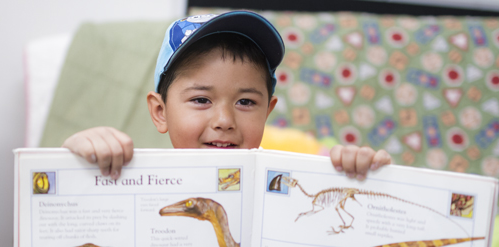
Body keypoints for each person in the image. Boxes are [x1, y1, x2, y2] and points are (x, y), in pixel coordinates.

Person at [61, 11, 391, 179]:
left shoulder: (288, 167)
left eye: (246, 102)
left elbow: (332, 167)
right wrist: (77, 156)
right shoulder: (131, 174)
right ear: (160, 112)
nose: (224, 121)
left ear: (267, 111)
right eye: (201, 100)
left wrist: (360, 172)